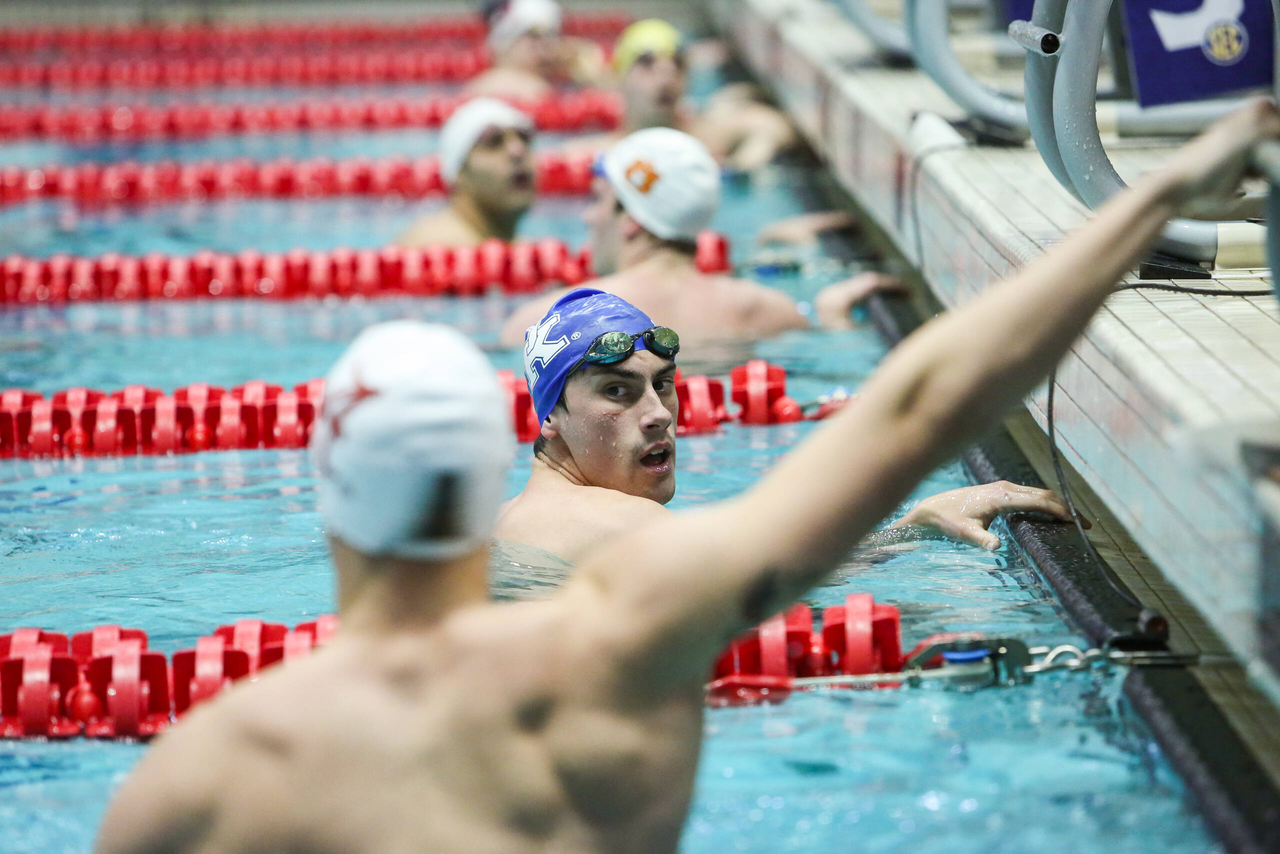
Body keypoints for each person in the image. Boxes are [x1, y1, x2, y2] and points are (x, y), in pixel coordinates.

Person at [96, 99, 1280, 854]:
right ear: (514, 440)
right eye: (619, 392)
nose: (659, 412)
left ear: (326, 495)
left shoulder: (201, 775)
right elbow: (922, 398)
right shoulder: (627, 625)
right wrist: (1159, 190)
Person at [495, 287, 1078, 563]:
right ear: (548, 419)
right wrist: (915, 529)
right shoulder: (609, 523)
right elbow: (769, 570)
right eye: (617, 392)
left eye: (662, 384)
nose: (656, 413)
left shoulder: (516, 519)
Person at [500, 127, 898, 346]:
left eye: (600, 200)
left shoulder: (545, 323)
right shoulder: (772, 312)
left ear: (632, 218)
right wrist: (832, 317)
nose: (588, 216)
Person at [397, 97, 537, 248]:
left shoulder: (524, 249)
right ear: (458, 173)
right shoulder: (434, 247)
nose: (518, 151)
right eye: (494, 142)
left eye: (525, 139)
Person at [466, 0, 607, 101]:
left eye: (552, 36)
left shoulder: (556, 82)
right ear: (506, 45)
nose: (547, 48)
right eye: (534, 37)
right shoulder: (499, 85)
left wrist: (586, 70)